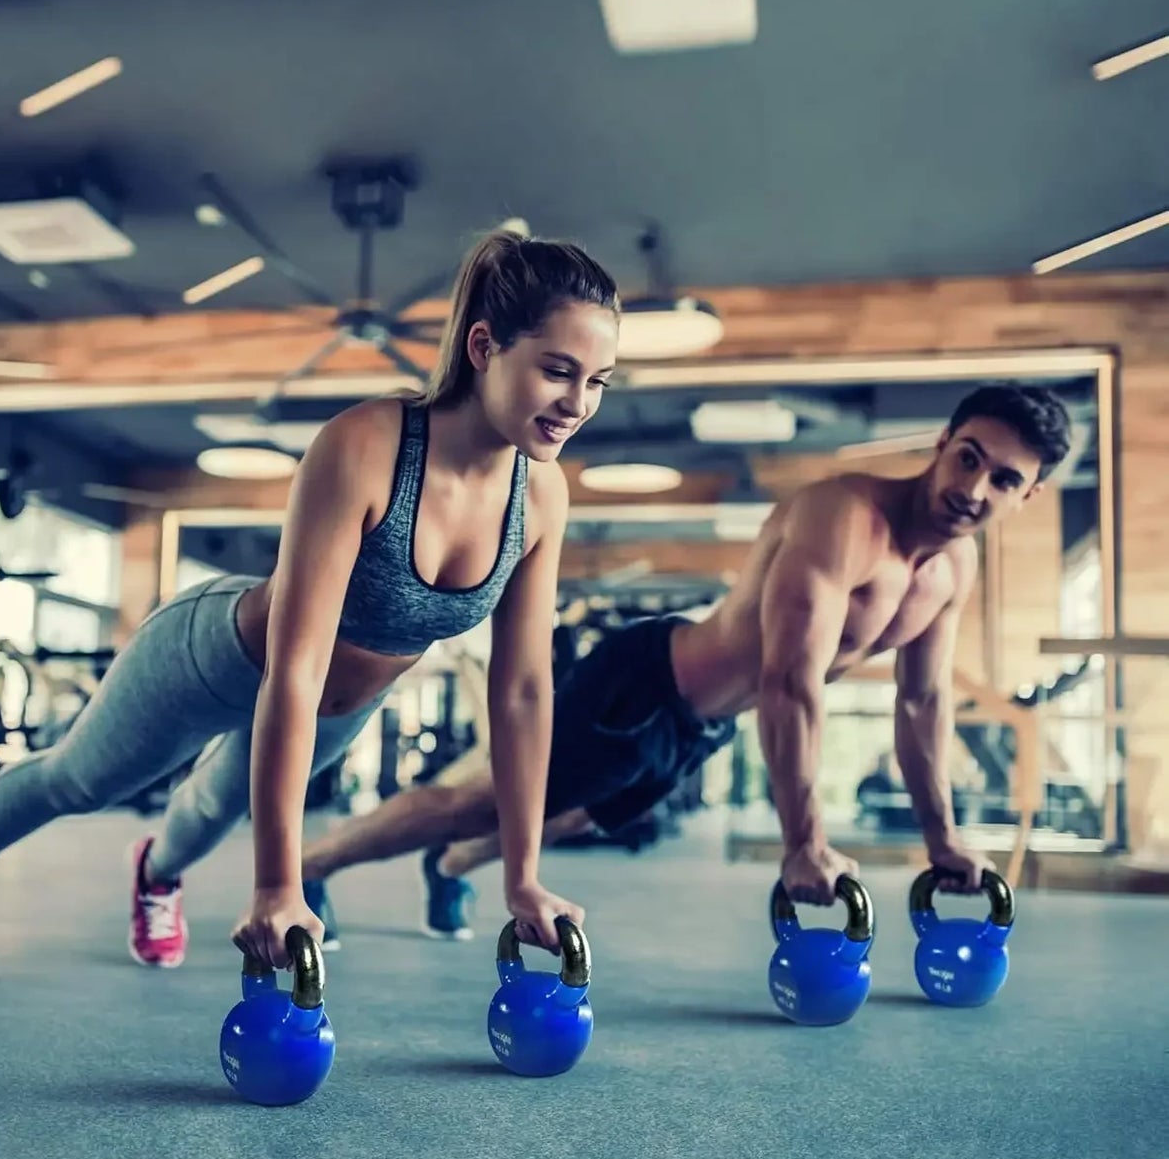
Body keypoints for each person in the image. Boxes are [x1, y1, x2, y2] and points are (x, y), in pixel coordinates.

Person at [0, 230, 621, 980]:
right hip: (220, 658)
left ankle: (155, 872)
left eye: (598, 381)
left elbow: (522, 691)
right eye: (557, 371)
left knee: (211, 813)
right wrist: (277, 885)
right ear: (483, 346)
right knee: (81, 781)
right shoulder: (366, 447)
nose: (577, 404)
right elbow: (296, 667)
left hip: (338, 709)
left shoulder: (540, 495)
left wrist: (521, 875)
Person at [298, 382, 1074, 933]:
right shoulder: (843, 518)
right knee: (495, 803)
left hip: (699, 725)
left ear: (1026, 496)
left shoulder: (951, 570)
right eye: (968, 457)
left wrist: (941, 839)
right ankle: (313, 864)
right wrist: (802, 841)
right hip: (644, 685)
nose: (974, 486)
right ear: (941, 444)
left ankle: (446, 868)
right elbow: (789, 680)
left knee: (570, 816)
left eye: (1003, 478)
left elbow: (920, 703)